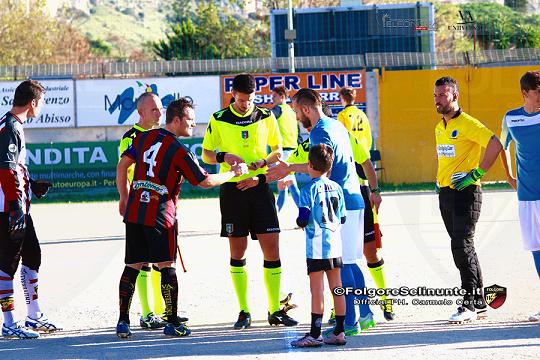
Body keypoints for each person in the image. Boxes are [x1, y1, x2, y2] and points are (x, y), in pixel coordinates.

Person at [116, 98, 248, 338]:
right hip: (159, 214)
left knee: (132, 265)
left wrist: (124, 197)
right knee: (167, 266)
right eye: (189, 120)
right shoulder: (178, 149)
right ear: (175, 120)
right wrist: (232, 174)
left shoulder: (144, 137)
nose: (194, 124)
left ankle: (123, 321)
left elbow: (122, 164)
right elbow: (204, 181)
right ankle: (172, 321)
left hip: (136, 209)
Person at [267, 88, 382, 336]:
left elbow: (321, 169)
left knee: (343, 265)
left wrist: (289, 169)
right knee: (351, 262)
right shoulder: (336, 125)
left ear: (307, 109)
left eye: (297, 111)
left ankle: (350, 322)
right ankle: (365, 314)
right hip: (353, 200)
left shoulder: (320, 131)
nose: (296, 116)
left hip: (341, 203)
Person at [201, 74, 298, 329]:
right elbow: (207, 154)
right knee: (238, 251)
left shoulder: (266, 116)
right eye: (241, 99)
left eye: (250, 99)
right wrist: (226, 155)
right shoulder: (219, 118)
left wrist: (262, 163)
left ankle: (275, 309)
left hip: (259, 187)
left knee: (272, 249)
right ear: (233, 94)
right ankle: (243, 310)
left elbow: (278, 151)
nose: (245, 104)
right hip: (233, 191)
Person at [433, 76, 502, 323]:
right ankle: (480, 304)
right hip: (447, 193)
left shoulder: (468, 123)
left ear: (455, 95)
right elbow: (447, 157)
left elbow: (495, 144)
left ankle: (469, 305)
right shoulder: (439, 127)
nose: (438, 100)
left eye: (442, 95)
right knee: (463, 248)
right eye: (435, 95)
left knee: (461, 247)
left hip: (467, 193)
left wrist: (478, 172)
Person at [0, 80, 58, 339]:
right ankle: (9, 321)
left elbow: (14, 167)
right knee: (6, 266)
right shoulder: (11, 126)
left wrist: (31, 184)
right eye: (41, 102)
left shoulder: (11, 124)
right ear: (33, 102)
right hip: (8, 209)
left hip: (18, 205)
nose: (41, 107)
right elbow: (6, 169)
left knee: (33, 256)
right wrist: (14, 207)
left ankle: (33, 316)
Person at [336, 88, 395, 322]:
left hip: (356, 187)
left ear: (342, 100)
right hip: (355, 188)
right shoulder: (364, 116)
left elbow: (357, 154)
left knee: (363, 251)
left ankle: (385, 299)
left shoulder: (341, 120)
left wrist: (372, 188)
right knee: (357, 253)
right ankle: (345, 304)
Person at [290, 144, 347, 347]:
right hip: (335, 245)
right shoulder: (337, 188)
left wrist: (300, 222)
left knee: (318, 290)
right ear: (329, 167)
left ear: (309, 165)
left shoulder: (308, 190)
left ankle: (315, 334)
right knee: (337, 288)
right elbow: (342, 217)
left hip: (316, 247)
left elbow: (303, 219)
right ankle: (340, 331)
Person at [118, 92, 167, 330]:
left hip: (162, 205)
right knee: (143, 261)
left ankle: (161, 311)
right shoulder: (131, 138)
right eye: (154, 110)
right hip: (141, 204)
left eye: (160, 108)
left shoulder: (164, 135)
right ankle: (147, 313)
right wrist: (124, 198)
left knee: (163, 259)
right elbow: (124, 170)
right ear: (140, 112)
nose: (159, 113)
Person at [499, 70, 540, 322]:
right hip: (527, 197)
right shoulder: (511, 118)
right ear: (525, 93)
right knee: (536, 250)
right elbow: (501, 145)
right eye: (537, 92)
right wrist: (509, 176)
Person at [271, 86, 300, 212]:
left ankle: (305, 214)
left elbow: (266, 121)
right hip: (293, 151)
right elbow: (298, 133)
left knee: (289, 183)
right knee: (284, 184)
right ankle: (276, 213)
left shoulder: (278, 109)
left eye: (274, 96)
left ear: (282, 96)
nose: (272, 98)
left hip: (283, 153)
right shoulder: (292, 111)